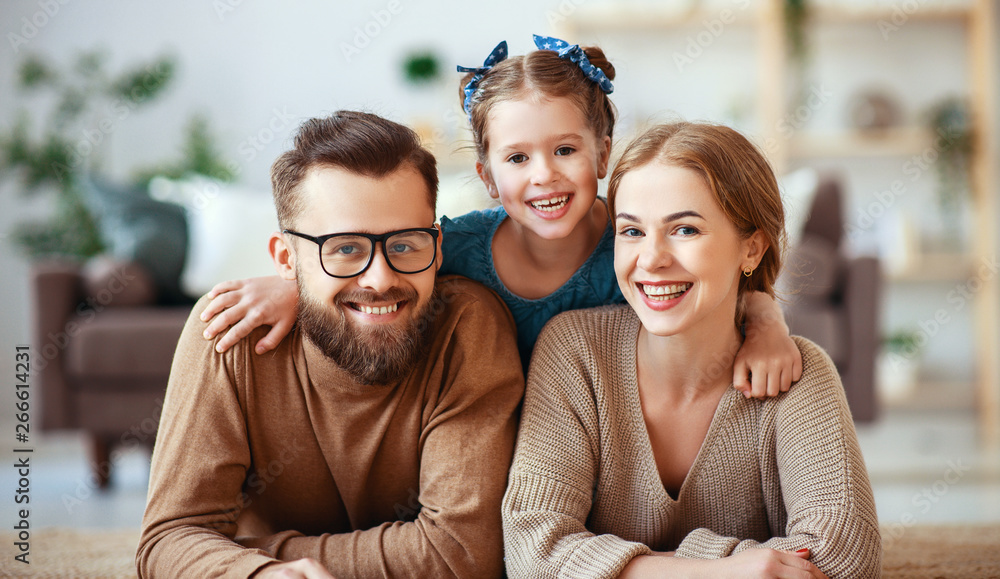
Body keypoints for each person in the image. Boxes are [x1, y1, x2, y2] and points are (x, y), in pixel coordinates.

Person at [198, 35, 802, 397]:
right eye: (517, 157)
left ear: (603, 153)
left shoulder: (634, 243)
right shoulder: (455, 247)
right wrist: (291, 290)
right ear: (486, 175)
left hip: (604, 445)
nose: (545, 175)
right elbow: (375, 265)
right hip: (482, 442)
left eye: (565, 150)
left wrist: (770, 326)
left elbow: (725, 281)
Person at [136, 111, 524, 579]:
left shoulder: (467, 329)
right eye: (344, 248)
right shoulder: (229, 333)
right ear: (286, 259)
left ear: (438, 249)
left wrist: (244, 555)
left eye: (404, 245)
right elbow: (166, 541)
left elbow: (458, 556)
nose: (380, 280)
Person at [501, 122, 882, 578]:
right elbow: (531, 554)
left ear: (752, 249)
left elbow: (844, 560)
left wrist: (616, 565)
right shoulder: (574, 350)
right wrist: (724, 571)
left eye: (684, 230)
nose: (651, 259)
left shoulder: (799, 373)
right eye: (632, 232)